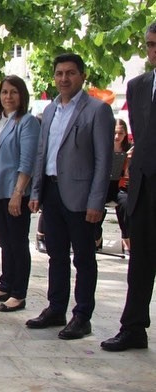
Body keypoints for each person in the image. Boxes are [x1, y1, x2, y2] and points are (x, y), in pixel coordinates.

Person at [26, 53, 113, 340]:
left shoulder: (97, 110)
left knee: (84, 258)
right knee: (56, 255)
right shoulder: (51, 110)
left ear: (82, 76)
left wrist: (96, 201)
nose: (64, 79)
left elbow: (103, 160)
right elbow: (42, 153)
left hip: (81, 197)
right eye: (59, 73)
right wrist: (36, 191)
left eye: (70, 73)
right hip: (51, 192)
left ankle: (82, 315)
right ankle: (56, 308)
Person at [102, 23, 156, 352]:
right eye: (151, 44)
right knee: (140, 264)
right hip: (144, 188)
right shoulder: (137, 86)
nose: (154, 51)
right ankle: (133, 328)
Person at [0, 76, 39, 313]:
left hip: (15, 191)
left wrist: (18, 192)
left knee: (17, 242)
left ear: (22, 95)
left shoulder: (27, 122)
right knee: (4, 241)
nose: (8, 96)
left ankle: (18, 293)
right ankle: (5, 285)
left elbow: (27, 160)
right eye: (4, 92)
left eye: (14, 92)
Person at [95, 119, 131, 251]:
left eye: (120, 133)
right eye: (114, 133)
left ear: (125, 134)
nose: (117, 136)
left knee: (126, 203)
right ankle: (96, 236)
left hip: (120, 187)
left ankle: (126, 238)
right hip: (104, 186)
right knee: (95, 203)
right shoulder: (103, 147)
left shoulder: (129, 148)